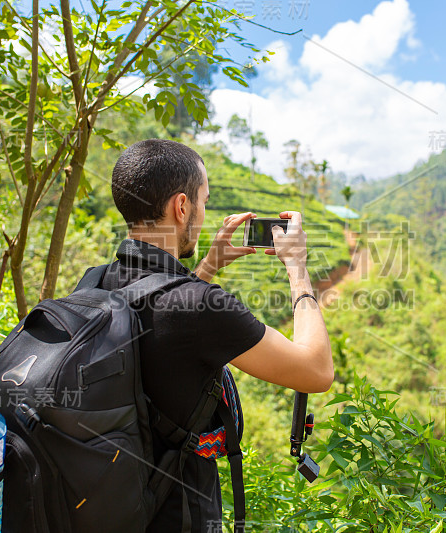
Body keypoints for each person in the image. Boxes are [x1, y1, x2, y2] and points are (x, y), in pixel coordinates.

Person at [107, 138, 333, 532]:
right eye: (204, 200)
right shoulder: (200, 307)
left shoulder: (97, 282)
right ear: (182, 207)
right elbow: (316, 371)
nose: (204, 211)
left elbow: (161, 318)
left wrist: (209, 266)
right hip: (175, 515)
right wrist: (298, 268)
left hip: (115, 500)